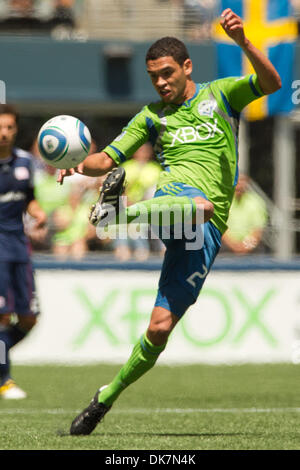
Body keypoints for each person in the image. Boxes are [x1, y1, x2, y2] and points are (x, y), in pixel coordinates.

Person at [58, 8, 281, 435]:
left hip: (206, 234)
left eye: (166, 73)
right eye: (154, 76)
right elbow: (105, 160)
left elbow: (270, 83)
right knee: (198, 205)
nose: (160, 83)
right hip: (174, 206)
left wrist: (244, 42)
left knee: (159, 329)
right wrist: (73, 165)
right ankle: (119, 214)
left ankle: (104, 399)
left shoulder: (221, 95)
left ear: (186, 67)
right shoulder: (151, 116)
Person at [0, 104, 47, 399]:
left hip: (20, 247)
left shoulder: (26, 163)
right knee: (2, 316)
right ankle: (4, 380)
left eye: (9, 128)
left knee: (29, 317)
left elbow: (30, 198)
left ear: (16, 130)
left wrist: (37, 212)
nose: (3, 133)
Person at [221, 174, 268, 255]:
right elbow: (220, 227)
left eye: (242, 182)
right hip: (225, 249)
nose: (239, 185)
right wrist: (234, 246)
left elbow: (257, 230)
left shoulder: (256, 202)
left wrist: (246, 246)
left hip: (251, 251)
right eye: (237, 182)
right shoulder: (223, 201)